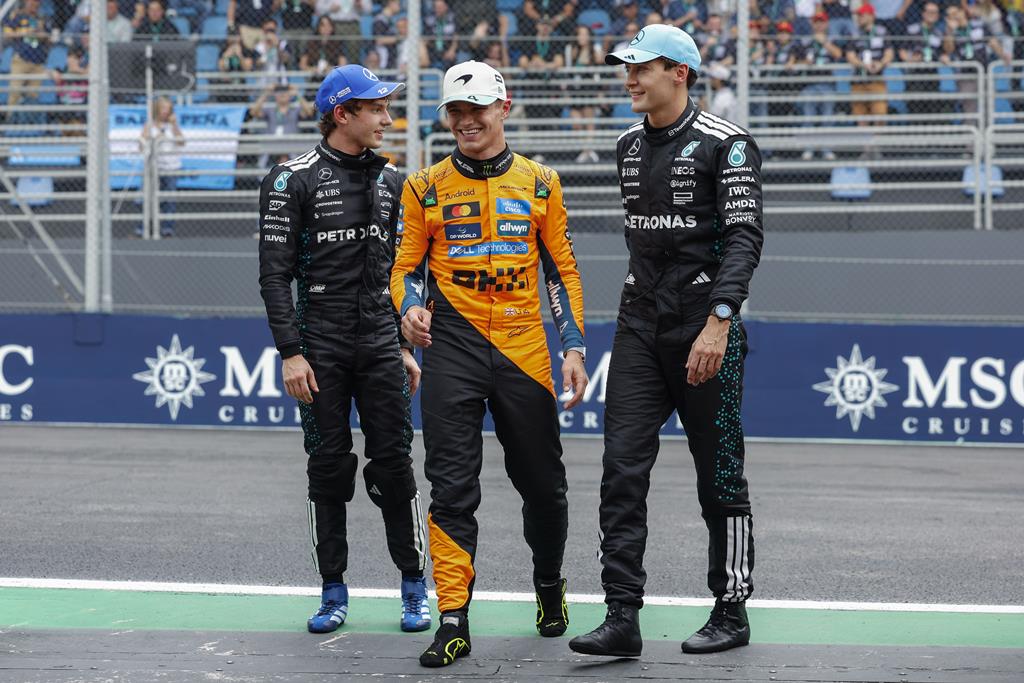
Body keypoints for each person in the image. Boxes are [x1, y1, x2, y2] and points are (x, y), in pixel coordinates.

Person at [568, 23, 763, 659]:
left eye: (641, 68)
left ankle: (731, 610)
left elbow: (744, 239)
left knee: (720, 475)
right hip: (639, 326)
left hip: (705, 327)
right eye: (627, 68)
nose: (630, 79)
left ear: (679, 72)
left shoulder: (728, 144)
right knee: (620, 470)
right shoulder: (626, 145)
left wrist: (719, 319)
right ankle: (621, 615)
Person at [390, 59, 588, 668]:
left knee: (544, 486)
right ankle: (453, 620)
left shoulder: (542, 182)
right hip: (451, 349)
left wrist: (573, 345)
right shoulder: (423, 187)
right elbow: (405, 269)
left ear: (504, 107)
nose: (465, 121)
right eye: (455, 111)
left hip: (525, 350)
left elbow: (562, 270)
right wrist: (410, 310)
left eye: (476, 109)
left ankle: (549, 585)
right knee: (451, 489)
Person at [257, 64, 431, 637]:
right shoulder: (291, 179)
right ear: (342, 113)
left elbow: (399, 271)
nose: (388, 118)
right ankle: (333, 591)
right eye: (377, 108)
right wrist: (291, 352)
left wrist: (402, 343)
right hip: (318, 344)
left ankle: (414, 586)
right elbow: (274, 276)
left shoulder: (394, 181)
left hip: (380, 340)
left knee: (395, 466)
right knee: (328, 467)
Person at [138, 97, 185, 238]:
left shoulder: (173, 126)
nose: (165, 111)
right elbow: (141, 144)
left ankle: (167, 227)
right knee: (146, 197)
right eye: (163, 108)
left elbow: (182, 142)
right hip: (153, 166)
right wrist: (152, 138)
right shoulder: (149, 125)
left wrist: (174, 125)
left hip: (171, 166)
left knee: (169, 198)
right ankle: (143, 227)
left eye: (168, 109)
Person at [1, 0, 53, 110]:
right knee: (15, 91)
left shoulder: (43, 18)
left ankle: (29, 118)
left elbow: (50, 38)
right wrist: (25, 33)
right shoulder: (18, 16)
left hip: (38, 61)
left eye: (37, 2)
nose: (34, 4)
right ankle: (11, 117)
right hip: (21, 59)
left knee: (33, 95)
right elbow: (7, 34)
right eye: (31, 2)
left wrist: (41, 34)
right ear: (26, 2)